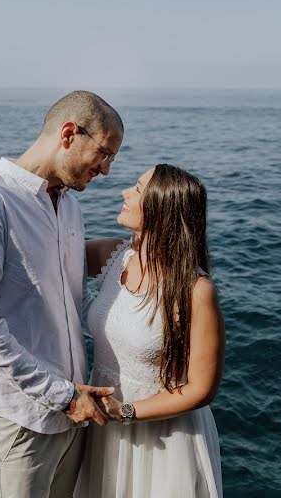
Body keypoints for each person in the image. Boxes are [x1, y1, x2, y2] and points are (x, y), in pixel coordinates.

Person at [0, 90, 124, 498]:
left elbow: (66, 290)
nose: (108, 170)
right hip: (21, 421)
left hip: (75, 414)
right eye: (105, 153)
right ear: (68, 134)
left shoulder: (69, 207)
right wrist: (62, 395)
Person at [76, 164, 225, 498]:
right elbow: (51, 254)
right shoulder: (111, 257)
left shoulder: (195, 290)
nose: (125, 193)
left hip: (162, 437)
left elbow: (201, 389)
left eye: (138, 189)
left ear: (163, 209)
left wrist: (125, 412)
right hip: (103, 428)